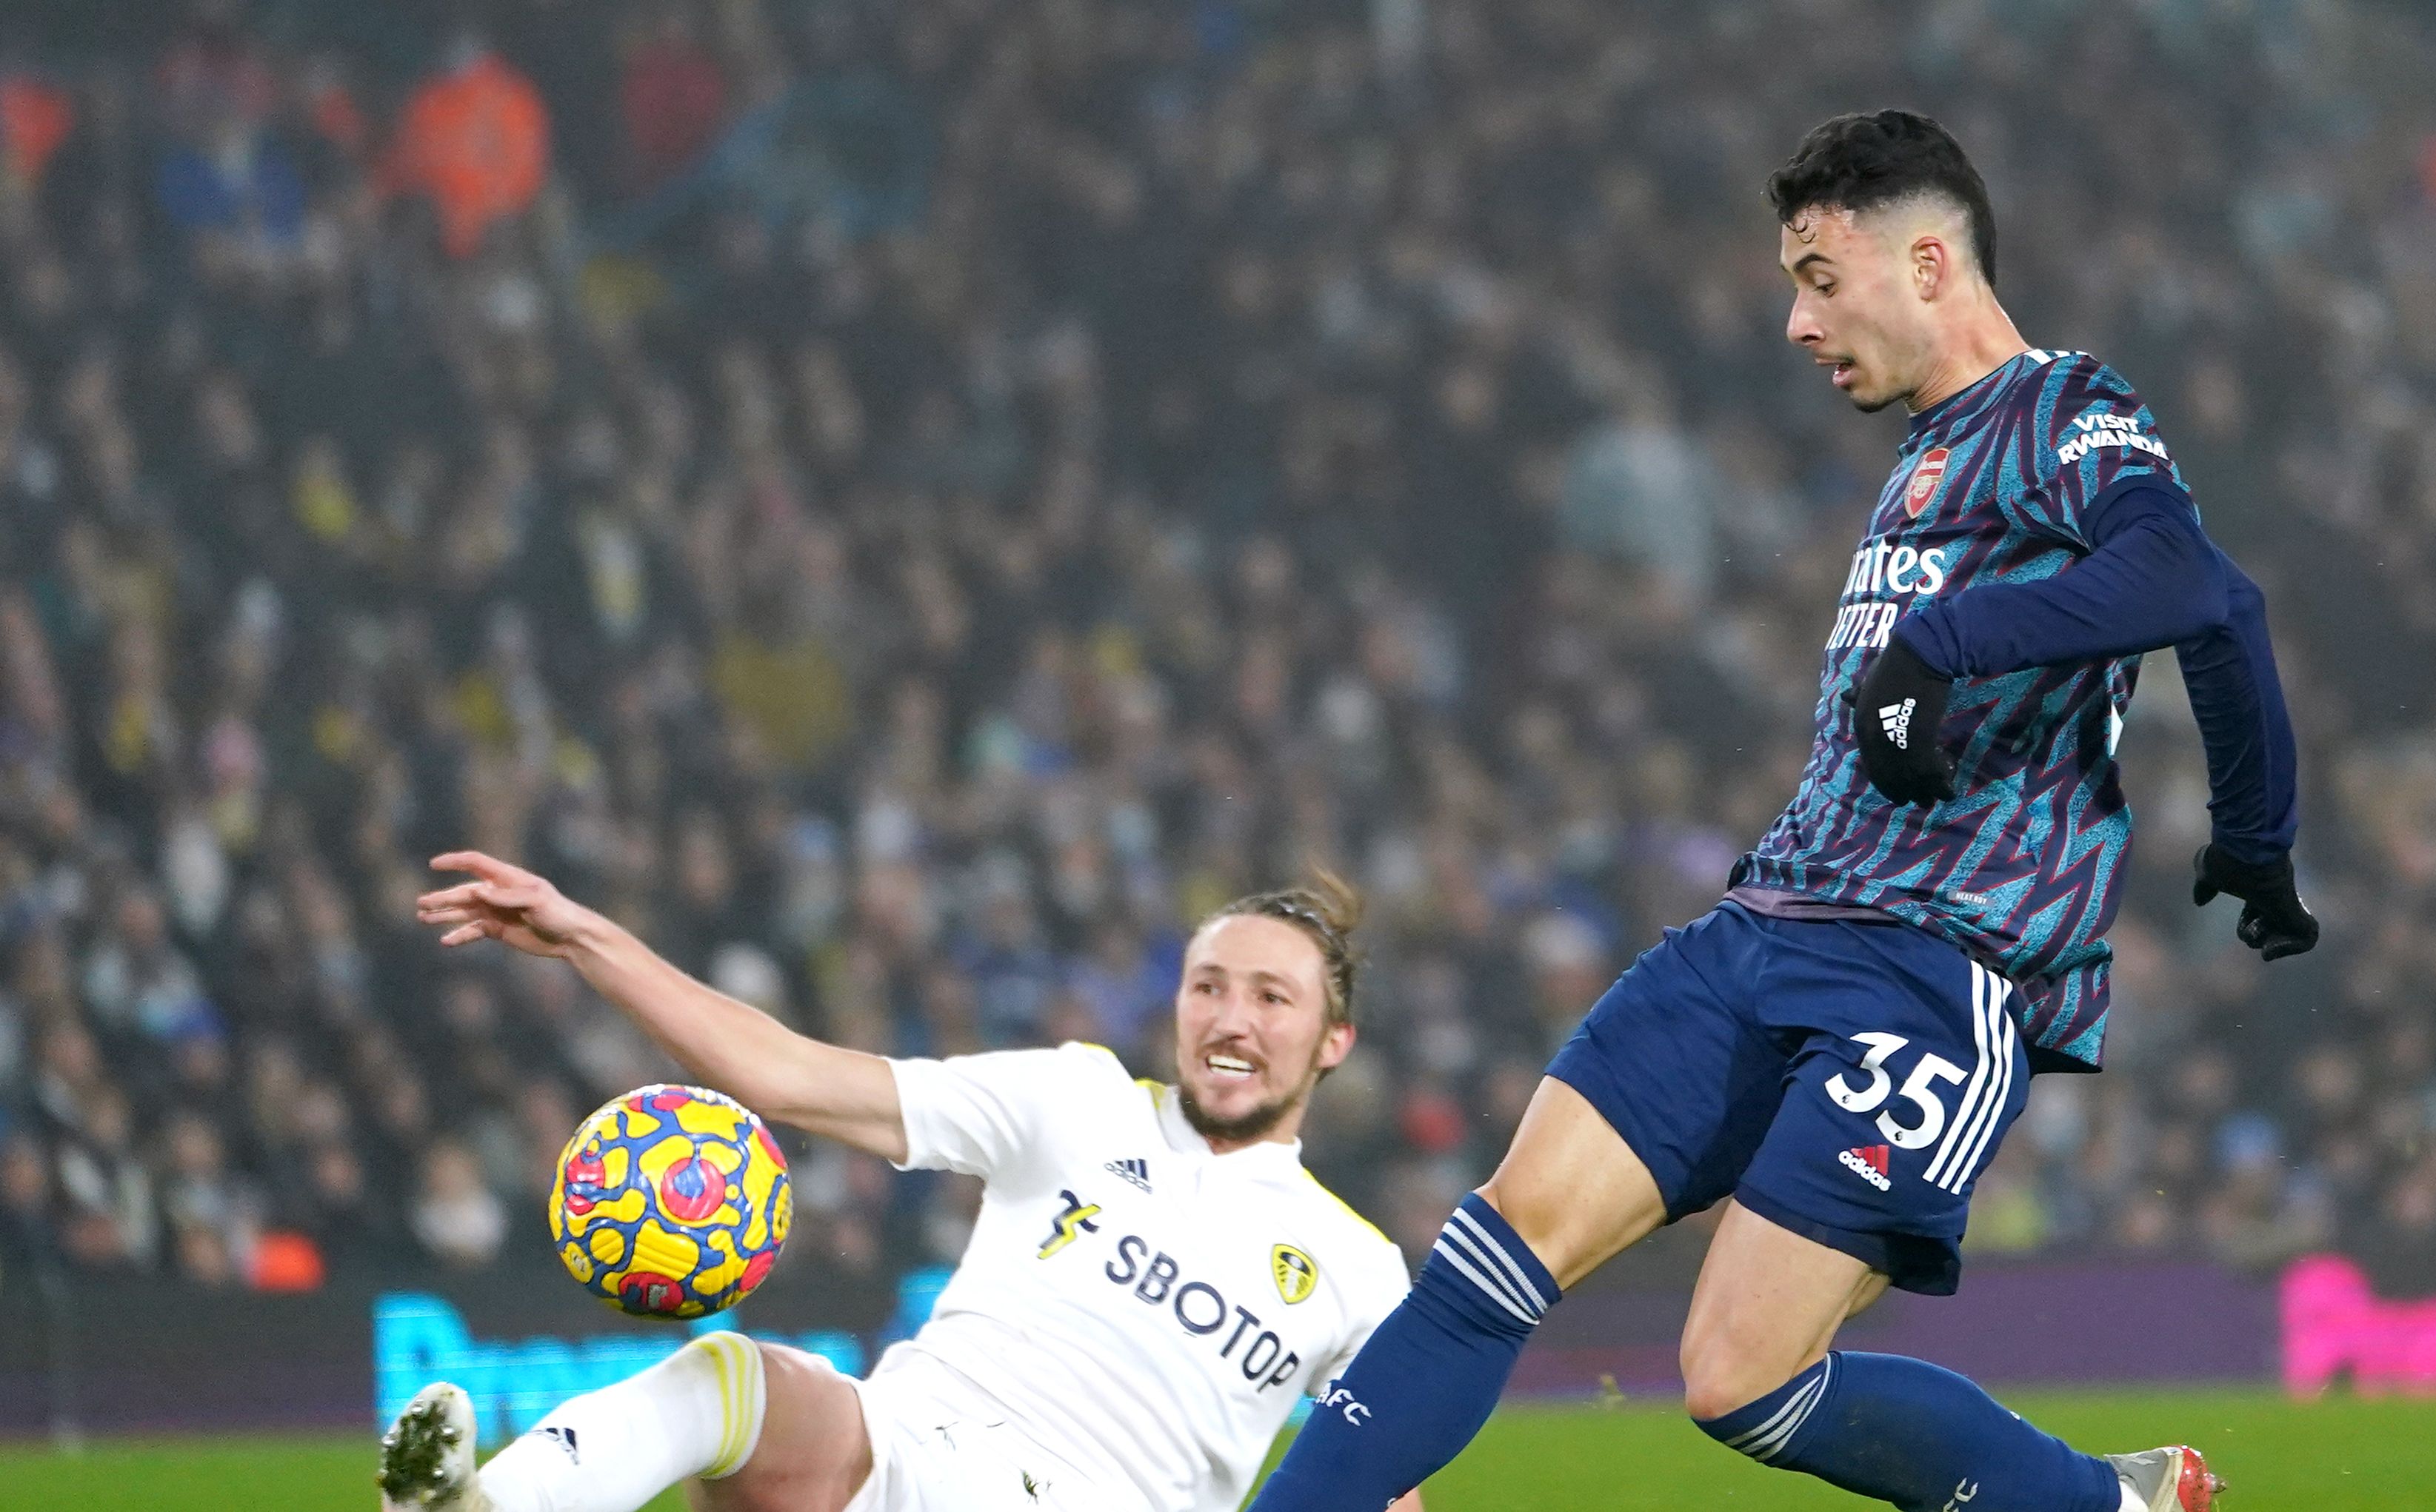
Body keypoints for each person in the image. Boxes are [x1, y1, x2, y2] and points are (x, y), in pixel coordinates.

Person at [1247, 110, 2317, 1512]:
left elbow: (2197, 591)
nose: (1796, 323)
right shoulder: (1928, 454)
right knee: (1487, 1258)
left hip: (1929, 967)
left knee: (1738, 1379)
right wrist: (2249, 830)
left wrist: (1975, 661)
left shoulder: (2064, 409)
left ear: (1927, 263)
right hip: (1761, 926)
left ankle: (2091, 1502)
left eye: (1819, 277)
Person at [378, 851, 1422, 1512]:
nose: (1232, 1018)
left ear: (1334, 1040)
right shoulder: (1075, 1099)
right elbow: (786, 1073)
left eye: (1271, 997)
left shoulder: (1357, 1267)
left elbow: (1383, 1484)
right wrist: (585, 937)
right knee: (734, 1381)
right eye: (1210, 986)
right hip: (908, 1450)